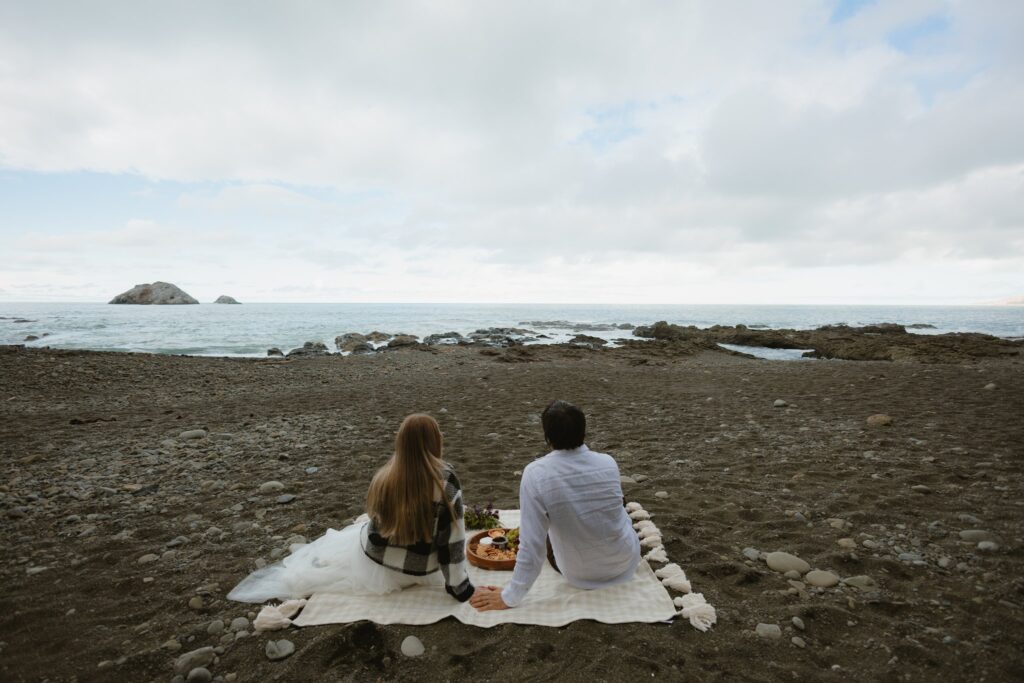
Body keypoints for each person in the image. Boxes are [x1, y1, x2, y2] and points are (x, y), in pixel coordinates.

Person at [228, 413, 484, 604]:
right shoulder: (445, 480)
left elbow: (377, 526)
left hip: (376, 564)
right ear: (436, 441)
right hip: (418, 571)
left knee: (356, 532)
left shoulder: (384, 476)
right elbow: (452, 540)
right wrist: (460, 588)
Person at [470, 400, 641, 611]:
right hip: (625, 562)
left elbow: (533, 547)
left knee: (545, 529)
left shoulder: (535, 473)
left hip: (580, 573)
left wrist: (509, 597)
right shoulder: (608, 462)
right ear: (583, 432)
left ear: (547, 437)